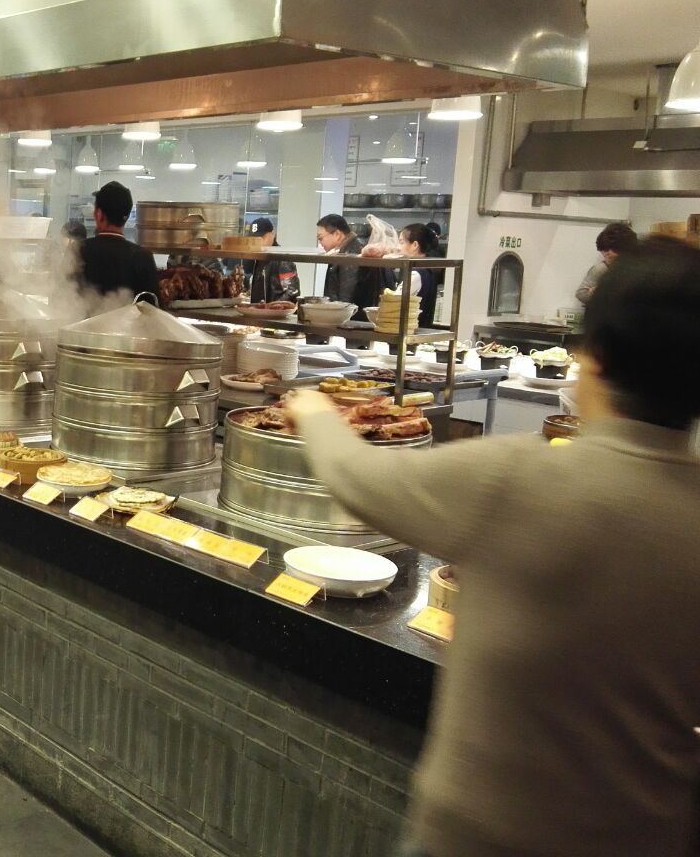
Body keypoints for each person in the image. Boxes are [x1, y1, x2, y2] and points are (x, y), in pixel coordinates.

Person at [286, 236, 700, 857]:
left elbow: (360, 479)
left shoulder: (523, 477)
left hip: (486, 837)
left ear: (598, 356)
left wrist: (316, 411)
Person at [73, 181, 158, 308]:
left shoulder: (77, 250)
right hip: (129, 322)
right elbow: (153, 312)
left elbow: (58, 298)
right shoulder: (142, 257)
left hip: (77, 321)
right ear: (127, 216)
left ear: (99, 215)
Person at [315, 213, 383, 317]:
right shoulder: (345, 251)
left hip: (351, 318)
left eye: (320, 238)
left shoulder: (351, 253)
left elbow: (346, 297)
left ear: (337, 234)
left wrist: (336, 317)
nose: (320, 243)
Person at [575, 222, 637, 305]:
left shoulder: (637, 270)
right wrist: (593, 293)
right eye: (604, 250)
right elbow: (581, 294)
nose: (607, 254)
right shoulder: (601, 269)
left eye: (613, 249)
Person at [244, 217, 300, 303]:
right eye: (254, 239)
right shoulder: (257, 257)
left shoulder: (282, 258)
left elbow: (292, 291)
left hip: (274, 311)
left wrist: (272, 307)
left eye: (262, 237)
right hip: (256, 310)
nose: (258, 242)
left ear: (272, 234)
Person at [396, 222, 438, 329]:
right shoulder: (428, 270)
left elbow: (394, 302)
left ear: (415, 245)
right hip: (421, 330)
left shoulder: (416, 274)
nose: (398, 247)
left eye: (401, 242)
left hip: (409, 331)